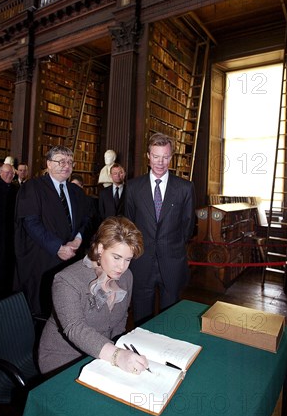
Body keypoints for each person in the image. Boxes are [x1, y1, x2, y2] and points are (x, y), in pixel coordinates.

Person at [38, 216, 145, 375]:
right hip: (64, 359)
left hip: (102, 356)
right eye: (116, 257)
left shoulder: (126, 277)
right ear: (100, 249)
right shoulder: (67, 280)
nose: (121, 267)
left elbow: (120, 320)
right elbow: (75, 329)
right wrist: (117, 356)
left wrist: (118, 350)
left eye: (127, 260)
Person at [125, 132, 196, 325]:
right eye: (156, 156)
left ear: (171, 158)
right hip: (141, 263)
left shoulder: (185, 188)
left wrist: (171, 245)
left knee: (170, 319)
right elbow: (127, 224)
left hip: (172, 262)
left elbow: (188, 226)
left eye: (165, 157)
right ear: (148, 156)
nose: (160, 162)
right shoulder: (132, 187)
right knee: (141, 319)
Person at [13, 145, 92, 316]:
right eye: (61, 161)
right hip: (43, 258)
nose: (66, 166)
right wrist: (58, 248)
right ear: (48, 164)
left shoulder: (76, 191)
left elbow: (86, 219)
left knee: (67, 308)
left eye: (70, 162)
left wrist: (78, 239)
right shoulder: (33, 187)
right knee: (42, 310)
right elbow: (31, 223)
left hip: (71, 257)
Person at [0, 163, 19, 298]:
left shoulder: (16, 188)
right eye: (7, 173)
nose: (9, 175)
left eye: (12, 174)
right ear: (0, 172)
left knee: (10, 262)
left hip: (12, 232)